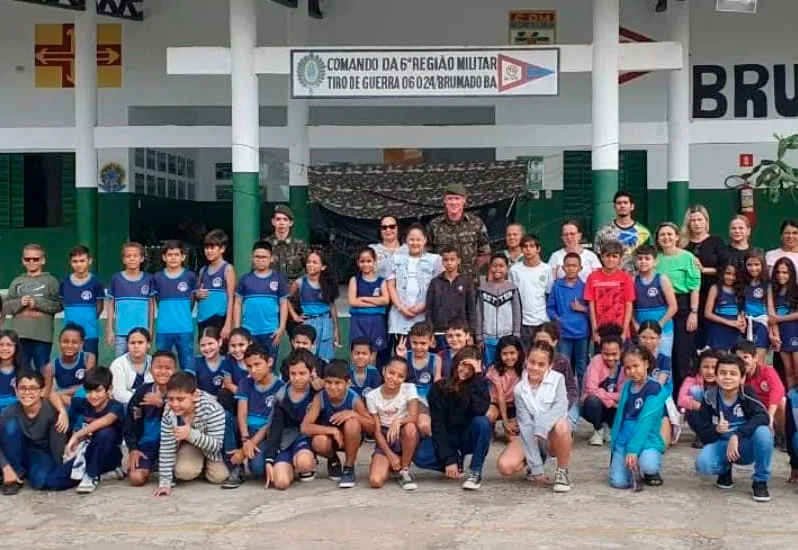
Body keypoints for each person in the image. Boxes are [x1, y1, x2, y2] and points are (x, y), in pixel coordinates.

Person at [693, 353, 773, 502]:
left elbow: (763, 416)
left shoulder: (746, 394)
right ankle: (725, 470)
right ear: (716, 377)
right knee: (703, 465)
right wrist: (716, 430)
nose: (727, 377)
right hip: (722, 443)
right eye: (722, 373)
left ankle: (760, 481)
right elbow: (702, 432)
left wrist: (737, 435)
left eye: (733, 373)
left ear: (742, 378)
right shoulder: (709, 397)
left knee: (764, 433)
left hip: (744, 444)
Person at [496, 341, 573, 492]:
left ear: (549, 366)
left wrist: (542, 427)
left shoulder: (558, 379)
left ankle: (562, 472)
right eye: (532, 362)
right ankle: (536, 464)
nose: (535, 368)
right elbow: (525, 426)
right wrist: (536, 467)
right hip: (532, 435)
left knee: (562, 425)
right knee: (505, 466)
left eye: (541, 364)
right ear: (526, 361)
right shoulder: (519, 389)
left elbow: (561, 407)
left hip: (552, 435)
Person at [412, 346, 491, 490]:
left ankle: (475, 471)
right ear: (456, 363)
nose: (466, 370)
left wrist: (479, 377)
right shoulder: (439, 388)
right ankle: (456, 463)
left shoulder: (478, 385)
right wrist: (449, 459)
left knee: (483, 422)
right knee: (420, 456)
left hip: (468, 435)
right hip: (448, 435)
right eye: (463, 364)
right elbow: (438, 425)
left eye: (471, 367)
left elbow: (480, 409)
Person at [301, 360, 375, 488]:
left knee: (352, 423)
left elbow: (372, 427)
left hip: (351, 439)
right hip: (331, 440)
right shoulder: (320, 398)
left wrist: (354, 414)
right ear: (324, 382)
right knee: (318, 441)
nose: (332, 387)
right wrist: (333, 431)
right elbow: (305, 427)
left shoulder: (354, 399)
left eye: (338, 383)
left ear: (348, 383)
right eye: (328, 382)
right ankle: (333, 459)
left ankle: (349, 467)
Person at [154, 372, 229, 497]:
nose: (174, 404)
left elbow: (216, 445)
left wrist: (191, 434)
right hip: (191, 445)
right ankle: (195, 465)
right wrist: (165, 482)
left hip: (213, 448)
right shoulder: (169, 410)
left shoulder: (212, 408)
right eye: (171, 399)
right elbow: (166, 447)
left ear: (194, 395)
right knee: (184, 472)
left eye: (180, 399)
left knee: (219, 476)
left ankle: (205, 466)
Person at [608, 345, 669, 489]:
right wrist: (615, 445)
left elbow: (645, 422)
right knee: (618, 482)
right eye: (628, 368)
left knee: (648, 465)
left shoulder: (655, 388)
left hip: (647, 439)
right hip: (624, 439)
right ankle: (631, 469)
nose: (632, 371)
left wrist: (633, 450)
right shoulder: (627, 387)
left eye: (636, 366)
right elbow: (619, 418)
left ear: (646, 364)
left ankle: (647, 468)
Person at [0, 370, 69, 495]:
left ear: (41, 391)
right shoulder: (8, 412)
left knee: (40, 480)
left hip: (40, 452)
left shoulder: (52, 411)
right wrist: (6, 468)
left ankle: (26, 470)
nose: (27, 393)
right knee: (10, 426)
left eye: (33, 388)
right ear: (16, 391)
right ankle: (15, 475)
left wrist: (57, 468)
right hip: (15, 450)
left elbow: (57, 445)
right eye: (22, 388)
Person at [229, 344, 285, 485]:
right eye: (249, 366)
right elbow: (242, 413)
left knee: (258, 469)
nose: (253, 370)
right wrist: (246, 439)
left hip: (265, 433)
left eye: (257, 364)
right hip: (247, 430)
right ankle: (236, 468)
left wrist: (250, 445)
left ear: (270, 362)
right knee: (228, 420)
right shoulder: (245, 383)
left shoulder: (280, 387)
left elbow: (271, 422)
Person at [655, 222, 701, 393]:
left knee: (682, 355)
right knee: (664, 355)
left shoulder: (687, 257)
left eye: (669, 234)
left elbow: (695, 286)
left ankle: (682, 397)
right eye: (662, 235)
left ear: (676, 237)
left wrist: (693, 312)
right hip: (662, 308)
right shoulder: (655, 259)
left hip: (683, 308)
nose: (666, 238)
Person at [262, 350, 318, 490]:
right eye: (293, 374)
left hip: (306, 439)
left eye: (302, 373)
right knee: (281, 483)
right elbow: (275, 429)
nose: (297, 378)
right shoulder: (281, 396)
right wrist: (270, 459)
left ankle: (306, 462)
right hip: (286, 442)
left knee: (304, 463)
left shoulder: (316, 393)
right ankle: (292, 465)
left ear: (311, 372)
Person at [64, 367, 126, 493]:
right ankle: (106, 474)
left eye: (98, 391)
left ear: (109, 390)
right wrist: (61, 412)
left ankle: (91, 475)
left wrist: (76, 436)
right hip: (85, 452)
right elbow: (55, 395)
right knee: (54, 481)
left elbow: (106, 421)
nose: (93, 396)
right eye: (89, 391)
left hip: (109, 455)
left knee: (105, 433)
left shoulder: (116, 406)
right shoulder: (83, 404)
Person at [3, 243, 62, 371]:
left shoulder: (51, 281)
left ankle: (44, 392)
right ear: (22, 261)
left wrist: (37, 303)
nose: (31, 262)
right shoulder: (16, 281)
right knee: (21, 371)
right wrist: (20, 302)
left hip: (42, 336)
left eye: (35, 259)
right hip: (19, 336)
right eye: (27, 259)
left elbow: (59, 305)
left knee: (43, 370)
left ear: (43, 260)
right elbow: (6, 307)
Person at [366, 357, 421, 491]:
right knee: (375, 481)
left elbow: (413, 417)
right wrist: (390, 455)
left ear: (405, 377)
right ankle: (392, 462)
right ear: (384, 371)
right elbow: (377, 431)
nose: (394, 378)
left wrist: (398, 421)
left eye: (400, 376)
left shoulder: (409, 388)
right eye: (391, 373)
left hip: (403, 432)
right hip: (385, 437)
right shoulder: (372, 396)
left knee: (410, 428)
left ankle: (404, 469)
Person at [124, 351, 178, 487]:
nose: (163, 372)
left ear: (175, 370)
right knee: (136, 478)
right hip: (146, 445)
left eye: (168, 368)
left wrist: (162, 404)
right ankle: (151, 465)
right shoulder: (142, 391)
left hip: (172, 445)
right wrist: (133, 448)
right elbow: (129, 422)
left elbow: (185, 419)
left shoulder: (180, 392)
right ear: (150, 369)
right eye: (158, 367)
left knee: (184, 472)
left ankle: (161, 465)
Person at [387, 223, 443, 340]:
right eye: (411, 239)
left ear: (425, 240)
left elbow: (438, 287)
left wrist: (421, 306)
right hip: (400, 315)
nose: (415, 243)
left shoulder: (435, 260)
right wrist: (401, 308)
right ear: (406, 240)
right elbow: (391, 286)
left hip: (424, 315)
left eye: (418, 239)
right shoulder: (396, 259)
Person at [234, 240, 289, 360]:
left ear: (271, 259)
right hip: (249, 331)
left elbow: (284, 304)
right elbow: (237, 303)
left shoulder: (278, 279)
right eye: (257, 257)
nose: (260, 259)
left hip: (271, 332)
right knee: (249, 365)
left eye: (264, 257)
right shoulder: (245, 279)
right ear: (252, 258)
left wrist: (281, 328)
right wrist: (238, 328)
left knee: (269, 365)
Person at [681, 205, 725, 349]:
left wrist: (703, 270)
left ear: (706, 221)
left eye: (700, 219)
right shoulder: (682, 244)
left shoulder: (716, 242)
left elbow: (725, 269)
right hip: (688, 296)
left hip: (710, 294)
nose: (696, 223)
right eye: (693, 220)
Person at [427, 183, 491, 281]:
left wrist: (472, 269)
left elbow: (485, 252)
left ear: (464, 200)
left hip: (469, 282)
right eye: (450, 198)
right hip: (444, 283)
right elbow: (428, 255)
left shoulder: (476, 223)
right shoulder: (434, 225)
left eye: (457, 198)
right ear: (444, 200)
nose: (453, 202)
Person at [151, 240, 197, 371]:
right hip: (163, 329)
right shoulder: (157, 277)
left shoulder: (190, 276)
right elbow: (157, 300)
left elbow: (192, 300)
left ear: (183, 257)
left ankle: (187, 390)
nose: (173, 258)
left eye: (176, 254)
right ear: (164, 257)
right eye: (169, 255)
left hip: (184, 329)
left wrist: (183, 315)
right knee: (162, 365)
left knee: (187, 365)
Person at [546, 252, 589, 385]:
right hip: (563, 333)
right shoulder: (557, 286)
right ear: (563, 268)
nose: (571, 268)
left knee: (582, 366)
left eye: (574, 266)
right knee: (564, 366)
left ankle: (582, 395)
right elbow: (550, 307)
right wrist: (557, 319)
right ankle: (565, 396)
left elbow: (593, 310)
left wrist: (582, 308)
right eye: (568, 265)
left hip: (581, 333)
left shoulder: (585, 286)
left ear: (580, 268)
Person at [289, 251, 340, 363]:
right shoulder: (300, 282)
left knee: (325, 359)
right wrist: (295, 316)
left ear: (323, 267)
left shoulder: (328, 283)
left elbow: (332, 305)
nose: (310, 265)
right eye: (309, 262)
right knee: (306, 358)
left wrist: (336, 329)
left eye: (315, 262)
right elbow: (286, 299)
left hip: (326, 322)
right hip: (309, 322)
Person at [106, 242, 154, 358]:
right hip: (122, 333)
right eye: (128, 256)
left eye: (135, 255)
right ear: (123, 259)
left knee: (141, 365)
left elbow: (151, 305)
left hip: (142, 333)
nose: (132, 259)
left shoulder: (149, 278)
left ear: (142, 258)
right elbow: (111, 305)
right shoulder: (116, 279)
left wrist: (151, 328)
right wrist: (110, 329)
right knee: (120, 364)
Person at [584, 240, 635, 344]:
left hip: (619, 329)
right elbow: (591, 305)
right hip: (601, 330)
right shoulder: (593, 277)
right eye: (607, 256)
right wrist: (595, 331)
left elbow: (629, 305)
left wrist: (624, 331)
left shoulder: (625, 277)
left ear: (620, 259)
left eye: (614, 256)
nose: (610, 259)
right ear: (601, 257)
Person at [582, 327, 626, 446]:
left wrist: (602, 394)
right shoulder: (596, 361)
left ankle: (610, 427)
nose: (610, 358)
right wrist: (611, 401)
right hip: (599, 406)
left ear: (621, 351)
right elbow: (591, 389)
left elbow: (624, 394)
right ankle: (598, 429)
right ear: (600, 351)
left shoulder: (625, 364)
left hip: (615, 408)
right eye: (606, 354)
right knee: (591, 400)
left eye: (614, 354)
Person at [426, 246, 477, 348]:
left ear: (458, 261)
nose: (449, 263)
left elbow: (471, 309)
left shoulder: (466, 281)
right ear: (442, 261)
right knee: (443, 360)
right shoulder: (435, 282)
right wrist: (430, 333)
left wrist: (470, 334)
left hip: (460, 333)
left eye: (452, 259)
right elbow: (429, 310)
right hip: (439, 332)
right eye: (446, 260)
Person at [58, 245, 104, 357]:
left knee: (90, 365)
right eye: (75, 261)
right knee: (70, 364)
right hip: (69, 333)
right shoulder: (64, 283)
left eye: (82, 260)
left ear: (90, 261)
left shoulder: (96, 283)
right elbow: (62, 303)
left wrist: (89, 319)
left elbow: (100, 306)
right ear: (70, 262)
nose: (78, 264)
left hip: (90, 333)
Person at [509, 234, 553, 350]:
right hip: (522, 323)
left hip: (542, 321)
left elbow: (549, 294)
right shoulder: (515, 270)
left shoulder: (547, 269)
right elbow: (512, 297)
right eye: (525, 246)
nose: (528, 249)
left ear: (538, 249)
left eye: (532, 246)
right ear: (521, 249)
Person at [476, 253, 521, 367]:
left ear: (507, 268)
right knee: (490, 368)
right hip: (488, 338)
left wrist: (516, 333)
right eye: (494, 266)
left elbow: (517, 312)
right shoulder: (483, 289)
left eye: (501, 266)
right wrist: (479, 337)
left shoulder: (512, 288)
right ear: (490, 267)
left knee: (507, 367)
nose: (497, 269)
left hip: (507, 337)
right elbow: (479, 313)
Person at [633, 245, 677, 358]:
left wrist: (660, 325)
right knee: (643, 363)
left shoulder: (662, 279)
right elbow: (628, 307)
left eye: (647, 258)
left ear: (655, 262)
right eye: (640, 258)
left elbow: (673, 307)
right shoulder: (632, 280)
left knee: (663, 361)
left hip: (663, 330)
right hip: (641, 330)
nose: (643, 261)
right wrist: (636, 326)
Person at [396, 322, 440, 437]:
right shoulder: (406, 356)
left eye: (423, 343)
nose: (419, 347)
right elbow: (396, 382)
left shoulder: (435, 359)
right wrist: (400, 359)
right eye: (415, 343)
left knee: (424, 425)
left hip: (426, 401)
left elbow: (438, 385)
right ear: (410, 341)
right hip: (407, 400)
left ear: (430, 342)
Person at [534, 323, 580, 429]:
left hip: (563, 403)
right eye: (537, 342)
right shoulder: (530, 362)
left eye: (546, 342)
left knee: (563, 427)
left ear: (555, 342)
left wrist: (562, 407)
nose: (541, 346)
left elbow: (572, 389)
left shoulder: (562, 361)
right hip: (539, 404)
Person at [594, 191, 651, 274]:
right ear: (614, 206)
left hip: (636, 279)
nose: (622, 205)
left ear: (632, 206)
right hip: (611, 279)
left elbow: (650, 257)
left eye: (625, 203)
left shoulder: (644, 232)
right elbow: (598, 256)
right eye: (619, 203)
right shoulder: (603, 231)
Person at [735, 340, 785, 434]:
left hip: (768, 410)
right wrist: (740, 383)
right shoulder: (734, 375)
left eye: (746, 357)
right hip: (750, 411)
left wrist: (770, 415)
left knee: (782, 402)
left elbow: (778, 390)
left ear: (755, 358)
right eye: (738, 358)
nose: (742, 361)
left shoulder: (767, 371)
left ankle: (785, 437)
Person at [348, 246, 389, 359]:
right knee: (358, 355)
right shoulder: (354, 280)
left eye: (369, 261)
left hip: (376, 322)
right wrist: (377, 303)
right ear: (357, 262)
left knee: (373, 356)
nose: (366, 264)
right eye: (362, 261)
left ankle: (371, 376)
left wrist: (363, 299)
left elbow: (385, 300)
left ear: (375, 262)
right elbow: (353, 301)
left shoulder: (381, 281)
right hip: (358, 322)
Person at [42, 324, 96, 406]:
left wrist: (60, 393)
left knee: (82, 393)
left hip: (82, 398)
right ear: (59, 342)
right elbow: (47, 393)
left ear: (81, 344)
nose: (69, 345)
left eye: (74, 342)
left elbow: (88, 384)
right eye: (65, 342)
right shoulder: (50, 367)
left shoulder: (89, 358)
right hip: (62, 400)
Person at [196, 229, 236, 339]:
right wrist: (197, 294)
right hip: (202, 319)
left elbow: (231, 298)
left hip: (219, 318)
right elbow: (196, 293)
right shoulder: (202, 270)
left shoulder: (227, 269)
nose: (208, 251)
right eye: (206, 248)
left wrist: (228, 324)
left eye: (212, 248)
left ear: (222, 249)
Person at [485, 335, 524, 441]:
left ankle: (512, 425)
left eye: (512, 353)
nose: (509, 357)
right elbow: (500, 396)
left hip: (514, 406)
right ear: (499, 354)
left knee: (512, 439)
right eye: (504, 354)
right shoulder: (494, 370)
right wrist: (505, 420)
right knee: (489, 414)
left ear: (518, 352)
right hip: (497, 404)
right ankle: (490, 429)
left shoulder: (523, 369)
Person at [769, 257, 798, 388]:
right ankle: (793, 405)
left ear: (791, 273)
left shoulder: (796, 289)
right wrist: (776, 337)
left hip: (795, 332)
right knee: (789, 372)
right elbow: (771, 315)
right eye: (778, 272)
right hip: (782, 334)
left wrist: (780, 319)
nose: (781, 275)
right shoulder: (772, 290)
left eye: (785, 272)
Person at [677, 349, 718, 437]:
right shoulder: (691, 379)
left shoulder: (724, 380)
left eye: (714, 368)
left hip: (718, 415)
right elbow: (681, 399)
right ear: (699, 368)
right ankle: (702, 433)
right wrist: (703, 407)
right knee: (695, 390)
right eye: (706, 367)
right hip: (700, 412)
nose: (710, 371)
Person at [704, 263, 746, 351]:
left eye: (734, 275)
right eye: (728, 273)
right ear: (722, 273)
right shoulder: (715, 288)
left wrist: (742, 322)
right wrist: (729, 322)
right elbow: (707, 314)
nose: (731, 277)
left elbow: (741, 311)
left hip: (735, 333)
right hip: (718, 332)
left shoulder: (739, 290)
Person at [265, 205, 310, 286]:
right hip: (270, 291)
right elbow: (256, 271)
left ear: (290, 223)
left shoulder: (300, 246)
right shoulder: (265, 245)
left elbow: (310, 270)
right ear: (273, 222)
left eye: (285, 219)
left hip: (294, 293)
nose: (281, 223)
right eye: (278, 219)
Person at [108, 328, 153, 407]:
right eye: (132, 343)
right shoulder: (118, 364)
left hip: (150, 406)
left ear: (148, 344)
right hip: (124, 407)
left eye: (140, 342)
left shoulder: (154, 362)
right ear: (127, 345)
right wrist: (142, 401)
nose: (136, 346)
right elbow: (119, 394)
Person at [186, 326, 233, 397]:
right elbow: (187, 383)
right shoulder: (195, 361)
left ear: (220, 342)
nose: (206, 348)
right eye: (202, 345)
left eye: (210, 343)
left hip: (223, 403)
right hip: (201, 401)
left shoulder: (228, 361)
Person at [743, 249, 770, 363]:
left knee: (759, 361)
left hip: (761, 325)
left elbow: (771, 309)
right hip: (744, 324)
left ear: (763, 265)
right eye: (749, 264)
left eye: (756, 264)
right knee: (743, 360)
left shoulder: (768, 284)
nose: (753, 268)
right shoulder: (742, 282)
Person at [370, 215, 406, 280]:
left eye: (392, 226)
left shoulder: (409, 249)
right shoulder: (371, 249)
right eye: (384, 227)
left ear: (398, 228)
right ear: (380, 230)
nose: (388, 229)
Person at [222, 328, 254, 395]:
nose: (237, 350)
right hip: (237, 393)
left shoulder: (256, 359)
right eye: (233, 346)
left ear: (250, 344)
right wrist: (242, 395)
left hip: (254, 396)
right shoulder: (229, 359)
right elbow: (228, 383)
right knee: (223, 393)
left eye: (241, 345)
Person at [0, 330, 24, 414]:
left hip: (14, 412)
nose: (4, 348)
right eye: (1, 345)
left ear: (16, 348)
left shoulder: (23, 370)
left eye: (9, 345)